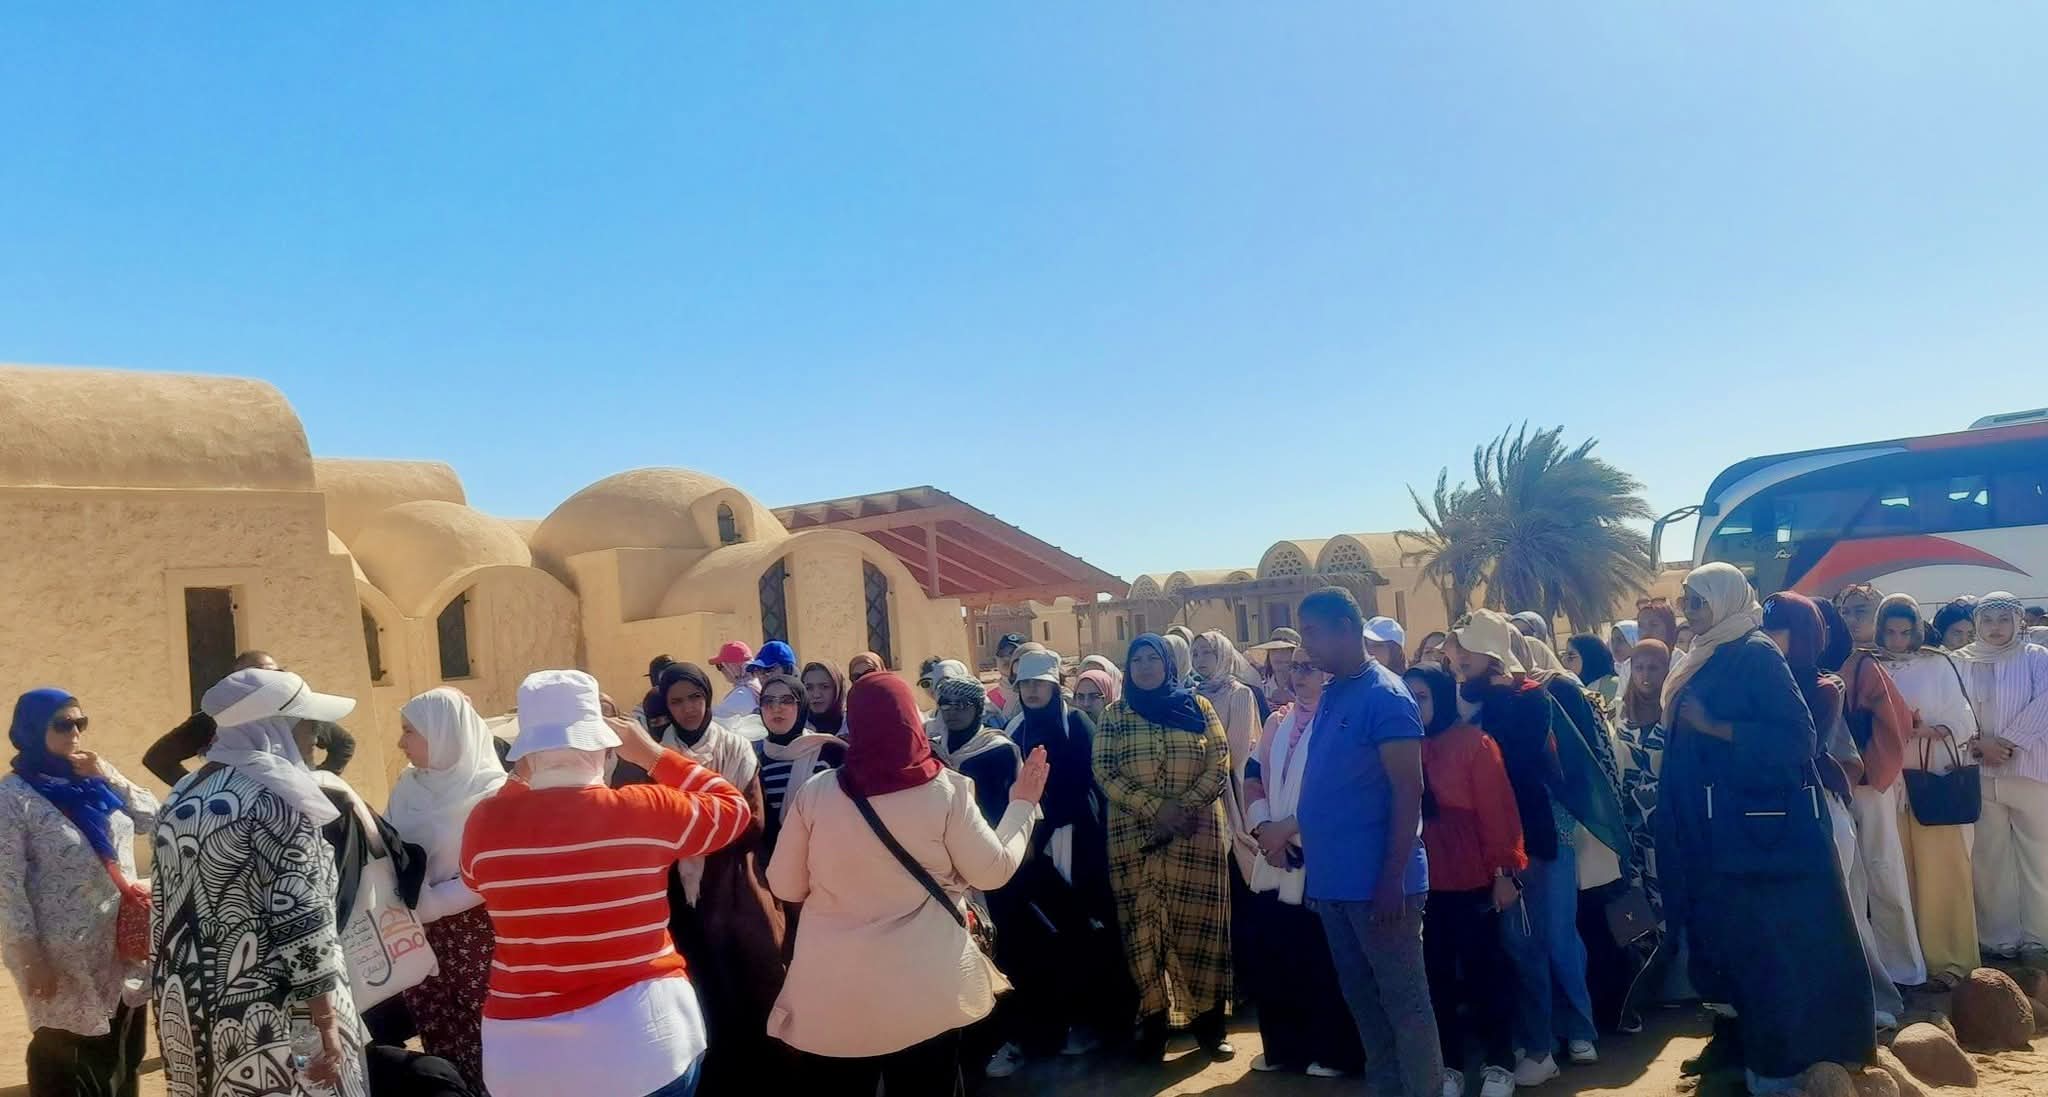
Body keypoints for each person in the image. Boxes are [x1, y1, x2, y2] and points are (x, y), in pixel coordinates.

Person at [461, 669, 752, 1097]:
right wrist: (654, 755)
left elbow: (474, 878)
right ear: (602, 742)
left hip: (527, 1061)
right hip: (644, 1046)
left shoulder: (485, 822)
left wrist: (518, 780)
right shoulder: (644, 810)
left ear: (526, 750)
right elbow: (733, 809)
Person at [767, 672, 1049, 1096]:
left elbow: (784, 886)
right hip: (926, 990)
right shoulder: (946, 791)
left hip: (837, 991)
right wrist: (1022, 806)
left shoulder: (817, 792)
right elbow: (992, 872)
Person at [1656, 564, 1873, 1091]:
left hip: (1757, 838)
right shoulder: (1708, 652)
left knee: (1768, 952)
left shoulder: (1754, 653)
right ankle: (1735, 1052)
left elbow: (1797, 739)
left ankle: (1777, 1069)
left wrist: (1715, 727)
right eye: (1686, 599)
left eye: (1698, 599)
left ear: (1726, 600)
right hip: (1714, 831)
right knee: (1725, 944)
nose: (1689, 609)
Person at [152, 668, 371, 1097]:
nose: (315, 736)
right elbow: (302, 918)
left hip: (196, 1010)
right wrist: (325, 1024)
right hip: (277, 1014)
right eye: (306, 722)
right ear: (276, 725)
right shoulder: (278, 796)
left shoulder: (182, 793)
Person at [1291, 588, 1441, 1097]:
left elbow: (1408, 791)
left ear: (1346, 629)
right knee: (1364, 1003)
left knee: (1405, 1005)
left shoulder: (1386, 696)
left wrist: (1392, 879)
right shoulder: (1334, 691)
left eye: (1312, 631)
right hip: (1335, 885)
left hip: (1380, 887)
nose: (1306, 644)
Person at [618, 662, 787, 1097]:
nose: (689, 708)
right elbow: (645, 824)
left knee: (753, 982)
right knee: (700, 989)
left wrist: (689, 826)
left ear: (708, 698)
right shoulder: (653, 757)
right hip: (678, 893)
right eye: (677, 701)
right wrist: (705, 821)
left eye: (695, 697)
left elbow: (751, 823)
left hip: (733, 886)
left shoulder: (735, 748)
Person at [1444, 611, 1596, 1085]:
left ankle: (1547, 1045)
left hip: (1527, 841)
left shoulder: (1529, 697)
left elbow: (1514, 757)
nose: (1459, 660)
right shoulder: (1468, 697)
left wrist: (1491, 692)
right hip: (1488, 843)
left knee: (1535, 941)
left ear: (1490, 652)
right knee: (1512, 946)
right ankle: (1532, 1040)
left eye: (1467, 651)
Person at [2, 688, 157, 1097]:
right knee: (67, 1060)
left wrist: (109, 775)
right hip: (64, 957)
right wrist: (29, 957)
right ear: (33, 729)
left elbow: (153, 818)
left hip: (122, 945)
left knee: (122, 1056)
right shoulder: (13, 798)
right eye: (62, 724)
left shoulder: (93, 780)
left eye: (80, 723)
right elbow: (6, 885)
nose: (75, 733)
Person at [1763, 591, 1904, 1029]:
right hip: (1777, 810)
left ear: (1804, 634)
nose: (1769, 638)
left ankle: (1862, 1004)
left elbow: (1797, 748)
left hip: (1820, 807)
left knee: (1839, 911)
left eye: (1779, 630)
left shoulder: (1824, 687)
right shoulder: (1759, 680)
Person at [1092, 634, 1234, 1061]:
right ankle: (1153, 1027)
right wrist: (1157, 808)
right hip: (1135, 838)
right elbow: (1104, 771)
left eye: (1153, 658)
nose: (1146, 666)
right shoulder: (1115, 715)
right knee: (1143, 930)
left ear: (1169, 664)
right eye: (1137, 659)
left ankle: (1210, 1027)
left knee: (1199, 929)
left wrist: (1182, 808)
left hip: (1195, 835)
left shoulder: (1199, 707)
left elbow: (1220, 761)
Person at [1238, 656, 1366, 1079]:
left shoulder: (1343, 723)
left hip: (1321, 857)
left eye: (1310, 667)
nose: (1300, 676)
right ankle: (1284, 1049)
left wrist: (1288, 831)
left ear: (1330, 672)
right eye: (1295, 667)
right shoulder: (1278, 723)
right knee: (1276, 952)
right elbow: (1253, 776)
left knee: (1322, 959)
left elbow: (1343, 791)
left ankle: (1332, 1052)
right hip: (1274, 857)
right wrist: (1264, 828)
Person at [996, 649, 1126, 1065]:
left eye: (1040, 683)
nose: (1033, 691)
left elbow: (1089, 783)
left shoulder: (1078, 724)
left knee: (1085, 927)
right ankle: (1053, 1024)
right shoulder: (1015, 729)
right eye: (1026, 684)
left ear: (1054, 686)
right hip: (1033, 847)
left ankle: (1095, 1023)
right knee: (1044, 934)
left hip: (1076, 841)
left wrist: (1052, 822)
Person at [1403, 665, 1525, 1097]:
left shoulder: (1475, 744)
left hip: (1471, 878)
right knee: (1434, 976)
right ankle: (1449, 1065)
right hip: (1421, 883)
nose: (1413, 705)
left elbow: (1498, 813)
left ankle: (1500, 1062)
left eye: (1421, 697)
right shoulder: (1400, 746)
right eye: (1407, 697)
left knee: (1484, 972)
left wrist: (1503, 874)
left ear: (1440, 697)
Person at [387, 688, 509, 1090]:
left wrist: (434, 903)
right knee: (439, 1031)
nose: (401, 742)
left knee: (487, 1032)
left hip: (477, 932)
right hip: (419, 934)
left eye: (410, 731)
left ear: (442, 733)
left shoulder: (493, 792)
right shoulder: (407, 787)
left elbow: (493, 870)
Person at [1873, 595, 1980, 986]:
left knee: (1943, 872)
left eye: (1905, 632)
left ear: (1918, 630)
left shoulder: (1938, 663)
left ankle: (1950, 962)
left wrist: (1926, 730)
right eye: (1890, 632)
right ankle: (1908, 962)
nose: (1898, 640)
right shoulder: (1868, 664)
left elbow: (1963, 719)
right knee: (1896, 873)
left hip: (1933, 777)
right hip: (1888, 784)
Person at [1829, 584, 1922, 988]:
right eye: (1846, 611)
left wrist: (1873, 772)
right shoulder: (1832, 658)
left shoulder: (1868, 665)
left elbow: (1898, 723)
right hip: (1841, 783)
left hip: (1868, 782)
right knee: (1852, 878)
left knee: (1883, 869)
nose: (1853, 620)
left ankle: (1903, 968)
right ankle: (1867, 971)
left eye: (1862, 611)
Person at [1958, 592, 2048, 960]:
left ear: (2018, 622)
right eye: (1988, 620)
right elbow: (1953, 708)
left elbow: (2045, 702)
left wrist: (2006, 743)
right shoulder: (1960, 661)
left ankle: (2038, 938)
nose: (1996, 628)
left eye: (2004, 620)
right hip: (1979, 771)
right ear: (1977, 623)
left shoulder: (2036, 657)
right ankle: (1999, 938)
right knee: (1989, 857)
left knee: (2038, 855)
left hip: (2029, 770)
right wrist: (1979, 745)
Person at [142, 650, 358, 785]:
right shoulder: (212, 720)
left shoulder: (301, 713)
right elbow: (158, 758)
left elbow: (344, 743)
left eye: (274, 674)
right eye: (253, 677)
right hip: (234, 809)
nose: (266, 682)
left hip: (301, 801)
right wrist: (197, 788)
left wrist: (320, 778)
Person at [755, 673, 847, 858]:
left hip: (824, 858)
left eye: (787, 700)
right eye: (768, 701)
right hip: (772, 863)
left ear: (802, 705)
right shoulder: (753, 759)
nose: (776, 708)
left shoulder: (830, 752)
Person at [1613, 639, 1671, 918]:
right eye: (1639, 668)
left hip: (1667, 824)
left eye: (1653, 668)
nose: (1645, 675)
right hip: (1630, 825)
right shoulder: (1619, 713)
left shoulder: (1675, 714)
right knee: (1635, 897)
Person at [931, 677, 1023, 826]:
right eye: (946, 704)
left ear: (979, 708)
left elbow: (1006, 809)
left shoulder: (999, 750)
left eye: (961, 704)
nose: (952, 711)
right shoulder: (935, 749)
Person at [711, 641, 762, 722]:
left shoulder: (741, 695)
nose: (721, 671)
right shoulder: (757, 684)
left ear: (732, 667)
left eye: (720, 666)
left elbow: (715, 720)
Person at [1565, 634, 1623, 706]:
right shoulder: (1571, 689)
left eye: (1571, 657)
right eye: (1564, 655)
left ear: (1588, 657)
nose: (1564, 661)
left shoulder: (1613, 685)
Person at [800, 662, 849, 737]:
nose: (816, 695)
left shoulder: (852, 723)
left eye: (824, 687)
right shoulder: (795, 726)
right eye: (809, 688)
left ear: (837, 689)